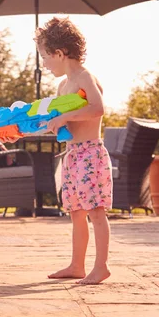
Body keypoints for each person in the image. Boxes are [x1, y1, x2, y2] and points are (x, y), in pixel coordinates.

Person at [34, 16, 113, 285]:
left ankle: (101, 266)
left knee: (96, 212)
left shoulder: (84, 77)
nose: (44, 62)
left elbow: (97, 109)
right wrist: (23, 129)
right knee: (76, 212)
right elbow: (57, 119)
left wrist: (66, 118)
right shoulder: (62, 86)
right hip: (72, 155)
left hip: (91, 154)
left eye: (45, 56)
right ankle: (76, 265)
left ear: (60, 52)